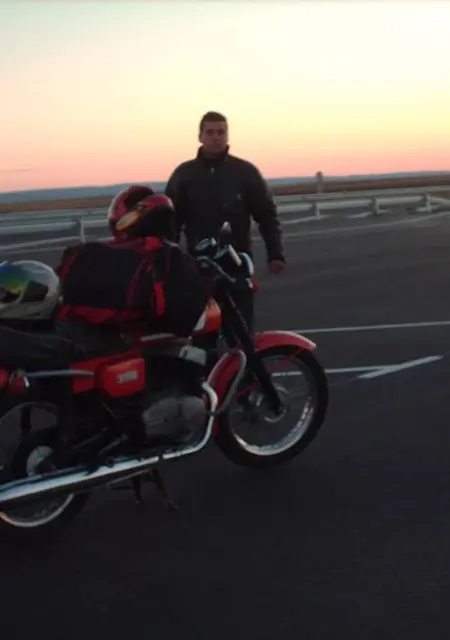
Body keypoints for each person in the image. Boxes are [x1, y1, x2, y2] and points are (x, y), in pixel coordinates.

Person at [54, 185, 215, 444]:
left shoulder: (93, 252)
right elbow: (183, 318)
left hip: (78, 325)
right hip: (117, 336)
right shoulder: (166, 257)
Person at [165, 110, 286, 344]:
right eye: (210, 132)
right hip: (199, 269)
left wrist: (276, 254)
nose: (216, 137)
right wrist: (169, 263)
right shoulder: (184, 175)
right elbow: (171, 222)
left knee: (241, 337)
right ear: (200, 136)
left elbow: (267, 215)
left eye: (221, 132)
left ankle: (243, 367)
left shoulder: (245, 173)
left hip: (237, 266)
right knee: (203, 340)